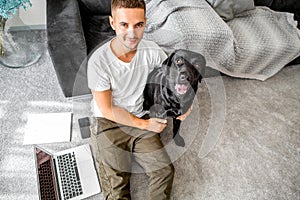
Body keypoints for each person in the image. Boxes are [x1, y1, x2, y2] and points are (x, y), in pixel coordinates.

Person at [87, 0, 191, 199]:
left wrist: (185, 105)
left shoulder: (152, 51)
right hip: (109, 123)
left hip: (141, 116)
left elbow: (174, 81)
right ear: (112, 23)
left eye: (138, 25)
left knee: (164, 172)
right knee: (118, 188)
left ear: (145, 22)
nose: (132, 34)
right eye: (124, 25)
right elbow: (107, 108)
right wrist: (144, 125)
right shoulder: (98, 62)